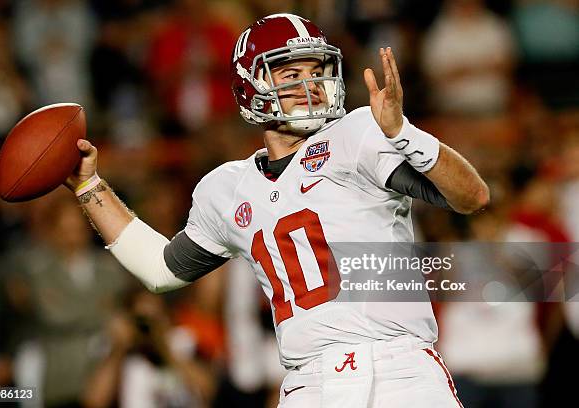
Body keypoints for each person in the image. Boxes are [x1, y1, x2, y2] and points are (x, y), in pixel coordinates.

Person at [65, 13, 488, 407]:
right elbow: (160, 270)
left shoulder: (357, 134)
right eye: (291, 74)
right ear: (251, 87)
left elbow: (471, 197)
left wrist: (402, 132)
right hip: (309, 382)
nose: (312, 84)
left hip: (398, 371)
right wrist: (88, 186)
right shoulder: (226, 189)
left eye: (318, 71)